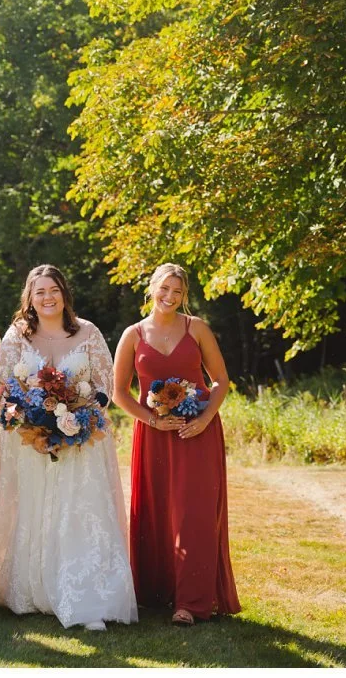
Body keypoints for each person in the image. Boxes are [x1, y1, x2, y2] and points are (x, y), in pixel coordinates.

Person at [0, 264, 137, 631]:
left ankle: (86, 597)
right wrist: (31, 420)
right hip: (30, 443)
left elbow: (105, 385)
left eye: (53, 290)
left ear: (64, 294)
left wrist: (78, 418)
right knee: (35, 510)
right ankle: (32, 591)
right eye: (39, 292)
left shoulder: (88, 332)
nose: (47, 297)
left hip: (81, 441)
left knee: (78, 510)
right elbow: (1, 387)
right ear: (30, 298)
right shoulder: (17, 334)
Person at [112, 263, 241, 626]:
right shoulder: (133, 335)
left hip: (197, 434)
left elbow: (220, 380)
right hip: (154, 436)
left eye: (177, 291)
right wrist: (152, 419)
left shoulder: (196, 328)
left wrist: (203, 420)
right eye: (164, 288)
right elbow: (119, 392)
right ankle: (156, 593)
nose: (169, 296)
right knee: (158, 514)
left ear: (184, 295)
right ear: (151, 288)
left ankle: (192, 602)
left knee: (195, 514)